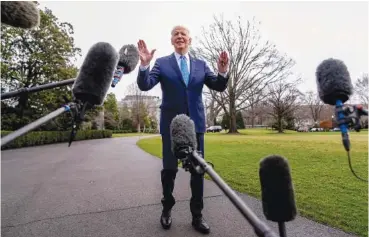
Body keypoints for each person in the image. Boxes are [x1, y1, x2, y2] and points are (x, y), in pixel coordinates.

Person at [136, 25, 229, 234]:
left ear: (189, 40)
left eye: (183, 34)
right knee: (169, 171)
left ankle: (197, 216)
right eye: (176, 34)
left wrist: (222, 71)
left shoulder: (200, 65)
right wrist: (144, 66)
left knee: (197, 171)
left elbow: (218, 85)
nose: (180, 37)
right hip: (171, 127)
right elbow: (145, 85)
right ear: (172, 41)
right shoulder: (162, 63)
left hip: (195, 126)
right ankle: (167, 209)